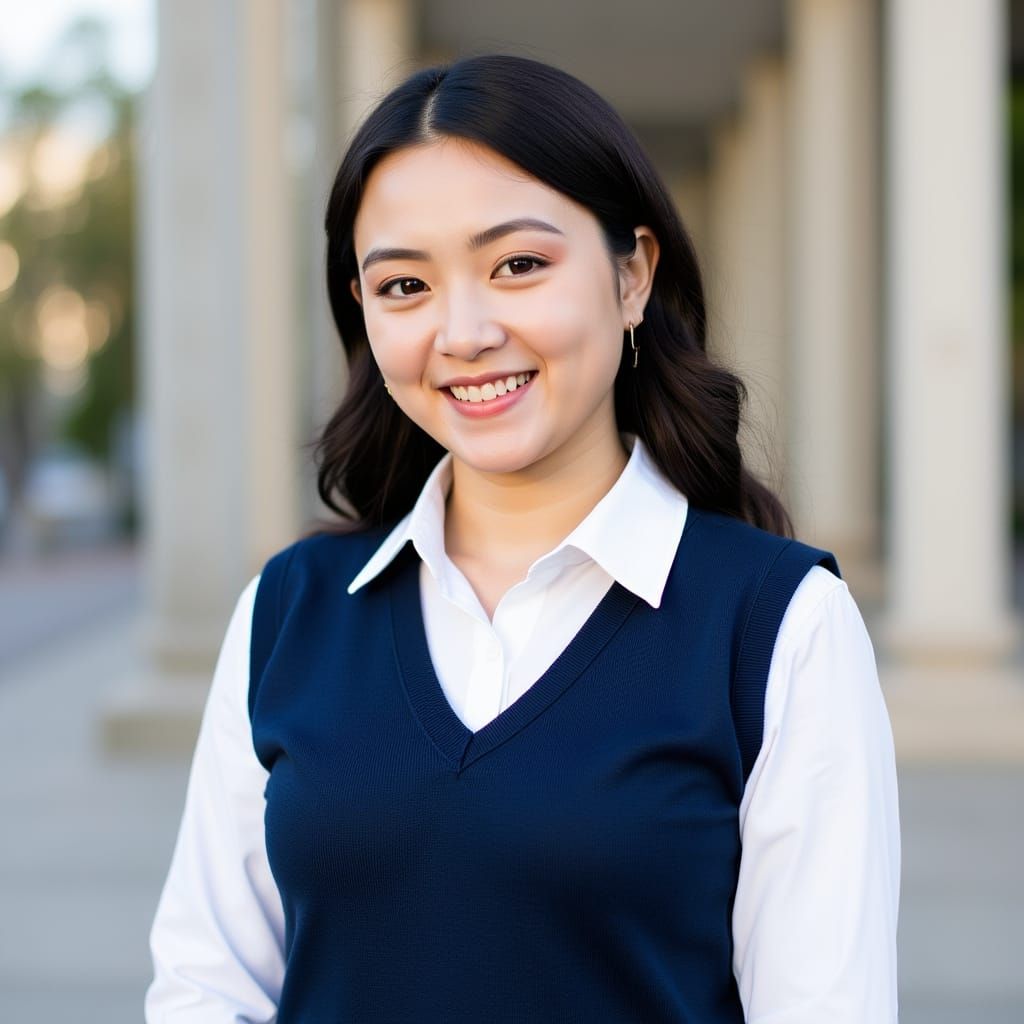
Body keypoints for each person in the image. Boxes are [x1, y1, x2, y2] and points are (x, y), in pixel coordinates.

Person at [145, 53, 900, 1023]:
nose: (461, 332)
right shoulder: (287, 614)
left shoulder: (779, 626)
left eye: (517, 266)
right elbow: (206, 987)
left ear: (633, 277)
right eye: (404, 286)